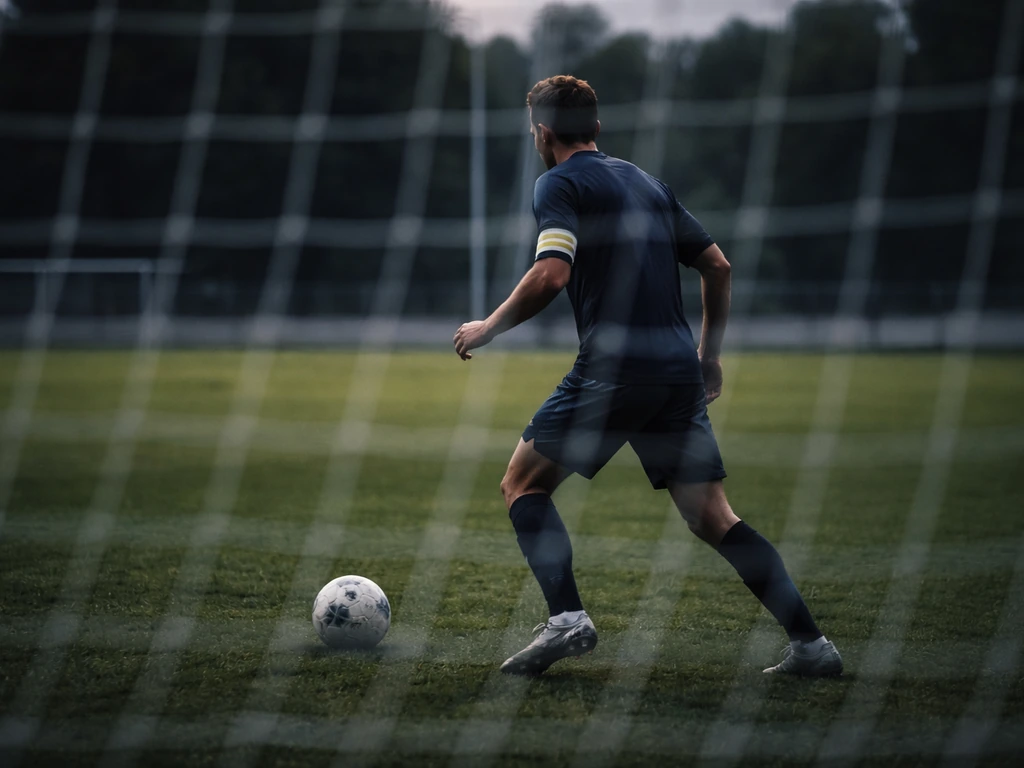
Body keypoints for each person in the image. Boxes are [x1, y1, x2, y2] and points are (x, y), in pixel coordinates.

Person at [453, 75, 841, 678]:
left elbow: (552, 273)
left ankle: (567, 621)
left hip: (615, 368)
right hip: (675, 374)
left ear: (543, 132)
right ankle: (813, 646)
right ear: (598, 128)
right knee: (714, 517)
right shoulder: (647, 182)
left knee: (522, 485)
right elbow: (717, 265)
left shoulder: (557, 182)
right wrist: (709, 356)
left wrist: (488, 327)